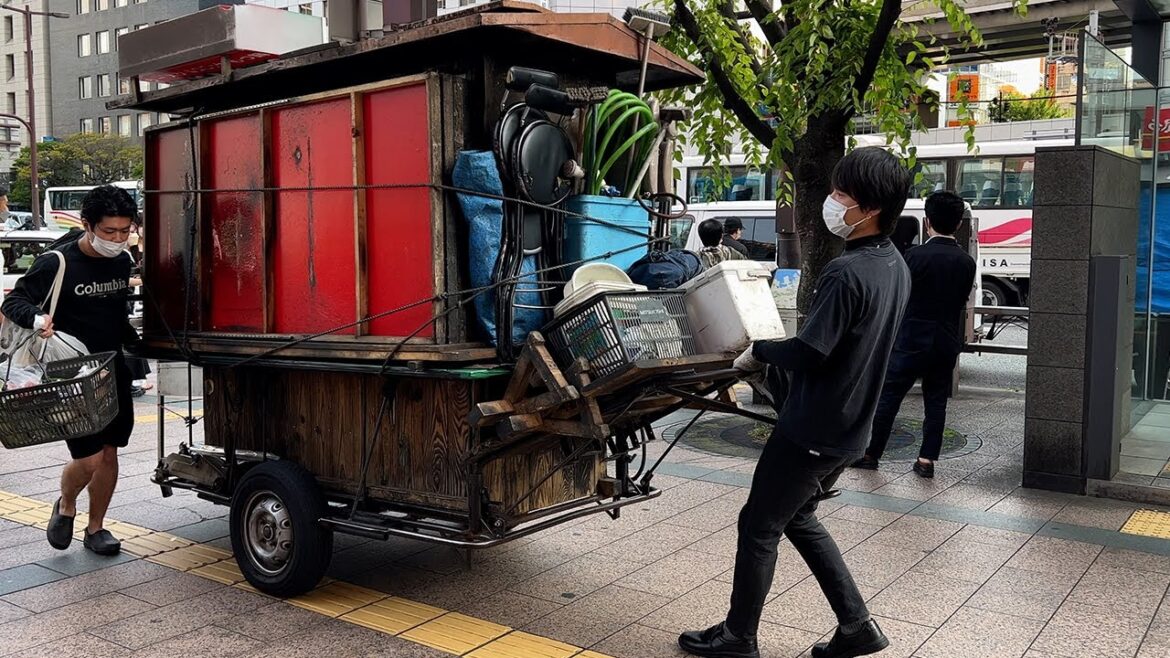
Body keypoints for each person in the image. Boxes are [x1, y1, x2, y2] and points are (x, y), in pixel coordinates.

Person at [678, 147, 912, 658]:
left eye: (841, 194)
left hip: (812, 429)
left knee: (759, 525)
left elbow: (811, 351)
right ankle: (857, 628)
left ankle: (738, 637)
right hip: (852, 429)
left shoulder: (846, 272)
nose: (832, 201)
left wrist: (758, 350)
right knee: (798, 516)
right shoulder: (894, 265)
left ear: (869, 208)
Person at [2, 185, 141, 557]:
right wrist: (35, 318)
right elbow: (14, 299)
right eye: (109, 231)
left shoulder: (121, 260)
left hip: (111, 369)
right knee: (89, 458)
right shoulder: (57, 262)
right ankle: (65, 504)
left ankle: (96, 528)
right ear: (87, 225)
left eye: (124, 231)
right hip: (70, 376)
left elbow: (116, 312)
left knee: (110, 453)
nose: (117, 239)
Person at [852, 191, 976, 479]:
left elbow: (899, 296)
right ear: (958, 224)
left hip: (909, 339)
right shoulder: (966, 262)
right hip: (945, 341)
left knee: (889, 397)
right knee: (936, 401)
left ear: (927, 221)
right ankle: (926, 460)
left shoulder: (914, 256)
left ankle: (871, 454)